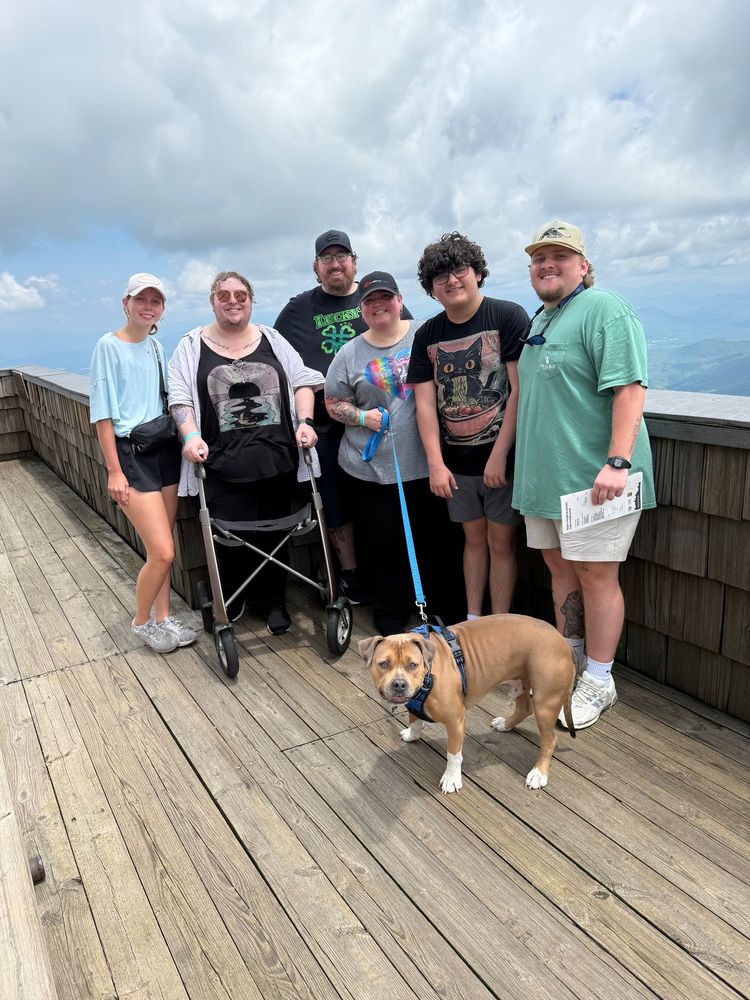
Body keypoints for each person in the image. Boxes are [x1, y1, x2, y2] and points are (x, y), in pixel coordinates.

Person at [513, 220, 656, 729]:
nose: (547, 264)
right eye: (538, 257)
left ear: (584, 266)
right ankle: (569, 662)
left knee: (597, 577)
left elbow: (631, 387)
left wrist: (618, 461)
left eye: (560, 255)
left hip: (596, 481)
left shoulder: (606, 309)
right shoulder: (541, 319)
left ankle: (600, 678)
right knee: (560, 572)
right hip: (545, 483)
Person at [168, 271, 324, 636]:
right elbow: (180, 399)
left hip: (277, 462)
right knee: (229, 540)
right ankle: (232, 599)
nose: (233, 300)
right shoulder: (191, 346)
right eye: (224, 295)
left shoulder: (272, 339)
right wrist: (190, 436)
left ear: (251, 300)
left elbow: (303, 380)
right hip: (220, 466)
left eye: (241, 294)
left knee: (276, 535)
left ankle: (274, 601)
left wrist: (305, 421)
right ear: (212, 301)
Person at [274, 229, 412, 605]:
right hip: (326, 427)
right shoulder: (297, 310)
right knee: (336, 505)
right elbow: (276, 361)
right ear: (316, 268)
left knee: (385, 508)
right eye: (327, 258)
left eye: (342, 256)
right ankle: (350, 576)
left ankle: (398, 578)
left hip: (390, 424)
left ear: (354, 261)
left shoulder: (376, 296)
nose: (335, 264)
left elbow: (410, 344)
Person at [325, 271, 464, 635]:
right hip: (372, 472)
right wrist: (360, 416)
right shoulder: (349, 353)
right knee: (383, 546)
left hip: (430, 465)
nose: (378, 305)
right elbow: (333, 401)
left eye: (385, 297)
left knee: (437, 543)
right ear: (362, 310)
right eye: (369, 301)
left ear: (400, 301)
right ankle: (390, 615)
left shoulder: (426, 333)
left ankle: (443, 615)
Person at [406, 232, 529, 619]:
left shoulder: (507, 316)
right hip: (456, 463)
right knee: (472, 541)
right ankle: (474, 620)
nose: (452, 281)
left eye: (460, 270)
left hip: (501, 460)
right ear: (431, 289)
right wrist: (436, 464)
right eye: (440, 277)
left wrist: (500, 454)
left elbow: (518, 392)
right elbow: (424, 405)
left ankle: (500, 624)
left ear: (477, 273)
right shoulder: (427, 334)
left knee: (502, 542)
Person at [89, 273, 197, 653]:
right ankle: (141, 622)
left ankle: (163, 617)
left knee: (160, 549)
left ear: (162, 310)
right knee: (164, 551)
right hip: (131, 456)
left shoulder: (155, 346)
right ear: (126, 303)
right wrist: (113, 471)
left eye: (155, 301)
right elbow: (102, 415)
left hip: (164, 450)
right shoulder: (108, 346)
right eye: (140, 300)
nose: (147, 306)